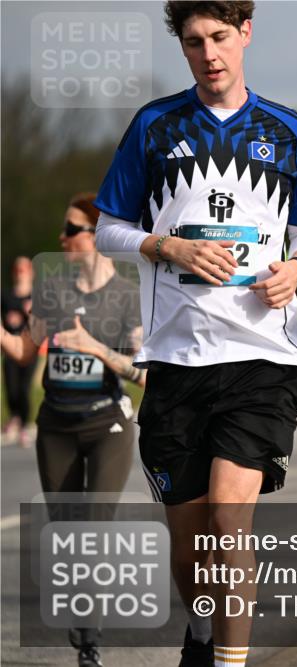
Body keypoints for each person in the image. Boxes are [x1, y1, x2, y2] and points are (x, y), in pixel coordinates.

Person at [92, 3, 297, 665]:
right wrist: (166, 246)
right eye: (194, 42)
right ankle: (200, 632)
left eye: (220, 37)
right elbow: (110, 226)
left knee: (230, 519)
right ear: (183, 47)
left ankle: (229, 659)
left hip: (262, 358)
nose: (209, 53)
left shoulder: (286, 130)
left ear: (246, 32)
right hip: (175, 359)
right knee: (192, 544)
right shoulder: (154, 126)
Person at [1, 193, 145, 667]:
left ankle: (89, 643)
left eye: (72, 229)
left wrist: (95, 347)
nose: (62, 237)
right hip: (57, 425)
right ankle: (85, 626)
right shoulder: (53, 288)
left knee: (93, 531)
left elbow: (144, 372)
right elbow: (25, 351)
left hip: (108, 423)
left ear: (98, 235)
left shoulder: (126, 294)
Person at [2, 256, 36, 447]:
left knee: (24, 387)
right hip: (10, 348)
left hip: (30, 347)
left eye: (23, 269)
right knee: (11, 387)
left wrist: (28, 312)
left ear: (31, 272)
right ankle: (14, 417)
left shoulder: (37, 296)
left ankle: (23, 425)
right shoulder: (6, 295)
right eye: (17, 269)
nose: (19, 273)